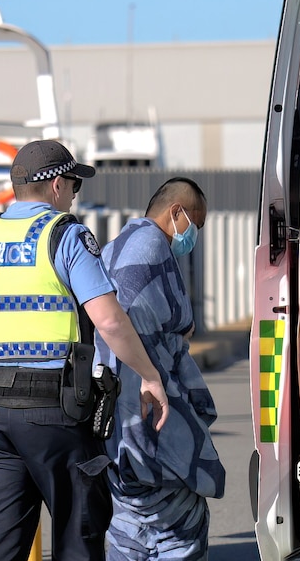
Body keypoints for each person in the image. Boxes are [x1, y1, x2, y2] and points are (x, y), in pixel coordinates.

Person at [0, 139, 170, 561]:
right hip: (55, 412)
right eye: (73, 186)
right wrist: (150, 376)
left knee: (3, 545)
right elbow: (109, 320)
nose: (72, 196)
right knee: (76, 541)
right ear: (56, 187)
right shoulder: (65, 235)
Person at [94, 177, 226, 561]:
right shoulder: (151, 250)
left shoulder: (116, 247)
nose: (193, 235)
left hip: (113, 412)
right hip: (148, 403)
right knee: (175, 522)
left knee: (129, 521)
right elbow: (167, 326)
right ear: (176, 212)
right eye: (194, 224)